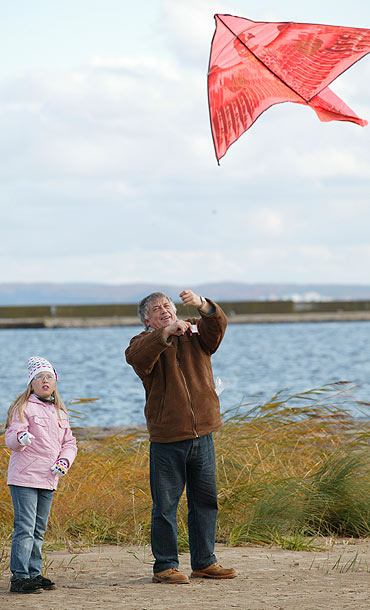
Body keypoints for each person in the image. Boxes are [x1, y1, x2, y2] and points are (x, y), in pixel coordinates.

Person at [125, 289, 237, 584]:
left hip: (203, 432)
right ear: (148, 320)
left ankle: (204, 562)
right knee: (165, 506)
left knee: (205, 501)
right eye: (156, 309)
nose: (163, 310)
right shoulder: (142, 343)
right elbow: (137, 358)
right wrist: (165, 334)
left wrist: (202, 305)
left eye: (167, 306)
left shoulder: (195, 332)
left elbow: (218, 327)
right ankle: (165, 566)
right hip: (167, 438)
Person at [5, 356, 77, 594]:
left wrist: (64, 461)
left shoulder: (60, 412)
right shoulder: (23, 407)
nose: (45, 380)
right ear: (32, 383)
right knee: (25, 527)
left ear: (55, 383)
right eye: (40, 377)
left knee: (38, 528)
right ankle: (20, 576)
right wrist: (20, 439)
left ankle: (34, 573)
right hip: (24, 476)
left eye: (49, 377)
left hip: (48, 478)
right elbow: (11, 437)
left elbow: (70, 443)